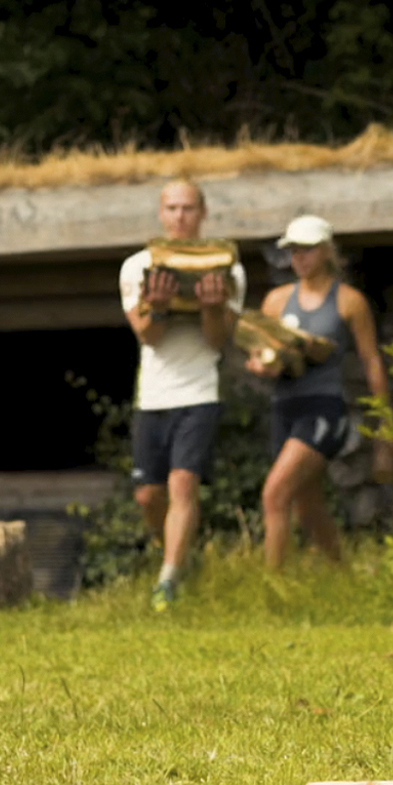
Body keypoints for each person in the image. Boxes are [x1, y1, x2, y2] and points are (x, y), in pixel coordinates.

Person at [119, 180, 247, 611]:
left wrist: (211, 307)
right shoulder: (136, 267)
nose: (180, 217)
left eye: (188, 208)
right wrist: (157, 305)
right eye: (172, 208)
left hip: (199, 390)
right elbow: (149, 336)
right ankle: (177, 557)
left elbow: (216, 342)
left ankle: (168, 582)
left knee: (183, 484)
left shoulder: (230, 268)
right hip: (152, 396)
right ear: (160, 212)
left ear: (203, 212)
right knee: (148, 497)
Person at [244, 214, 391, 570]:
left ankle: (272, 588)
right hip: (284, 405)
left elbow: (372, 362)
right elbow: (257, 355)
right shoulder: (277, 301)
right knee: (305, 503)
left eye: (307, 250)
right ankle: (342, 577)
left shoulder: (349, 301)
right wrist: (263, 365)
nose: (300, 258)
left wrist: (386, 433)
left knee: (275, 493)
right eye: (293, 251)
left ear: (326, 251)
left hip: (323, 407)